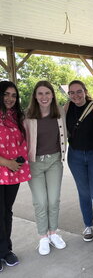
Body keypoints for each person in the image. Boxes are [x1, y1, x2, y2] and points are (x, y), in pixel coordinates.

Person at [24, 80, 67, 256]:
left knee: (53, 199)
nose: (44, 97)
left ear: (53, 95)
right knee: (40, 201)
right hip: (35, 163)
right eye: (40, 93)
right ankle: (43, 236)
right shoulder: (26, 116)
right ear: (35, 96)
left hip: (54, 161)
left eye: (47, 93)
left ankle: (53, 233)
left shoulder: (60, 113)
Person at [65, 80, 93, 242]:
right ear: (69, 94)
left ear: (85, 91)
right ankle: (88, 225)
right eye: (72, 92)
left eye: (78, 91)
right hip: (75, 156)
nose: (75, 95)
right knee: (83, 193)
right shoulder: (67, 107)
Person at [0, 81, 31, 271]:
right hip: (3, 167)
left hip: (12, 173)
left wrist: (17, 162)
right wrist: (7, 162)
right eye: (6, 94)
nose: (10, 99)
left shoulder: (17, 116)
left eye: (13, 95)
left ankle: (7, 250)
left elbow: (24, 140)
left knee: (7, 212)